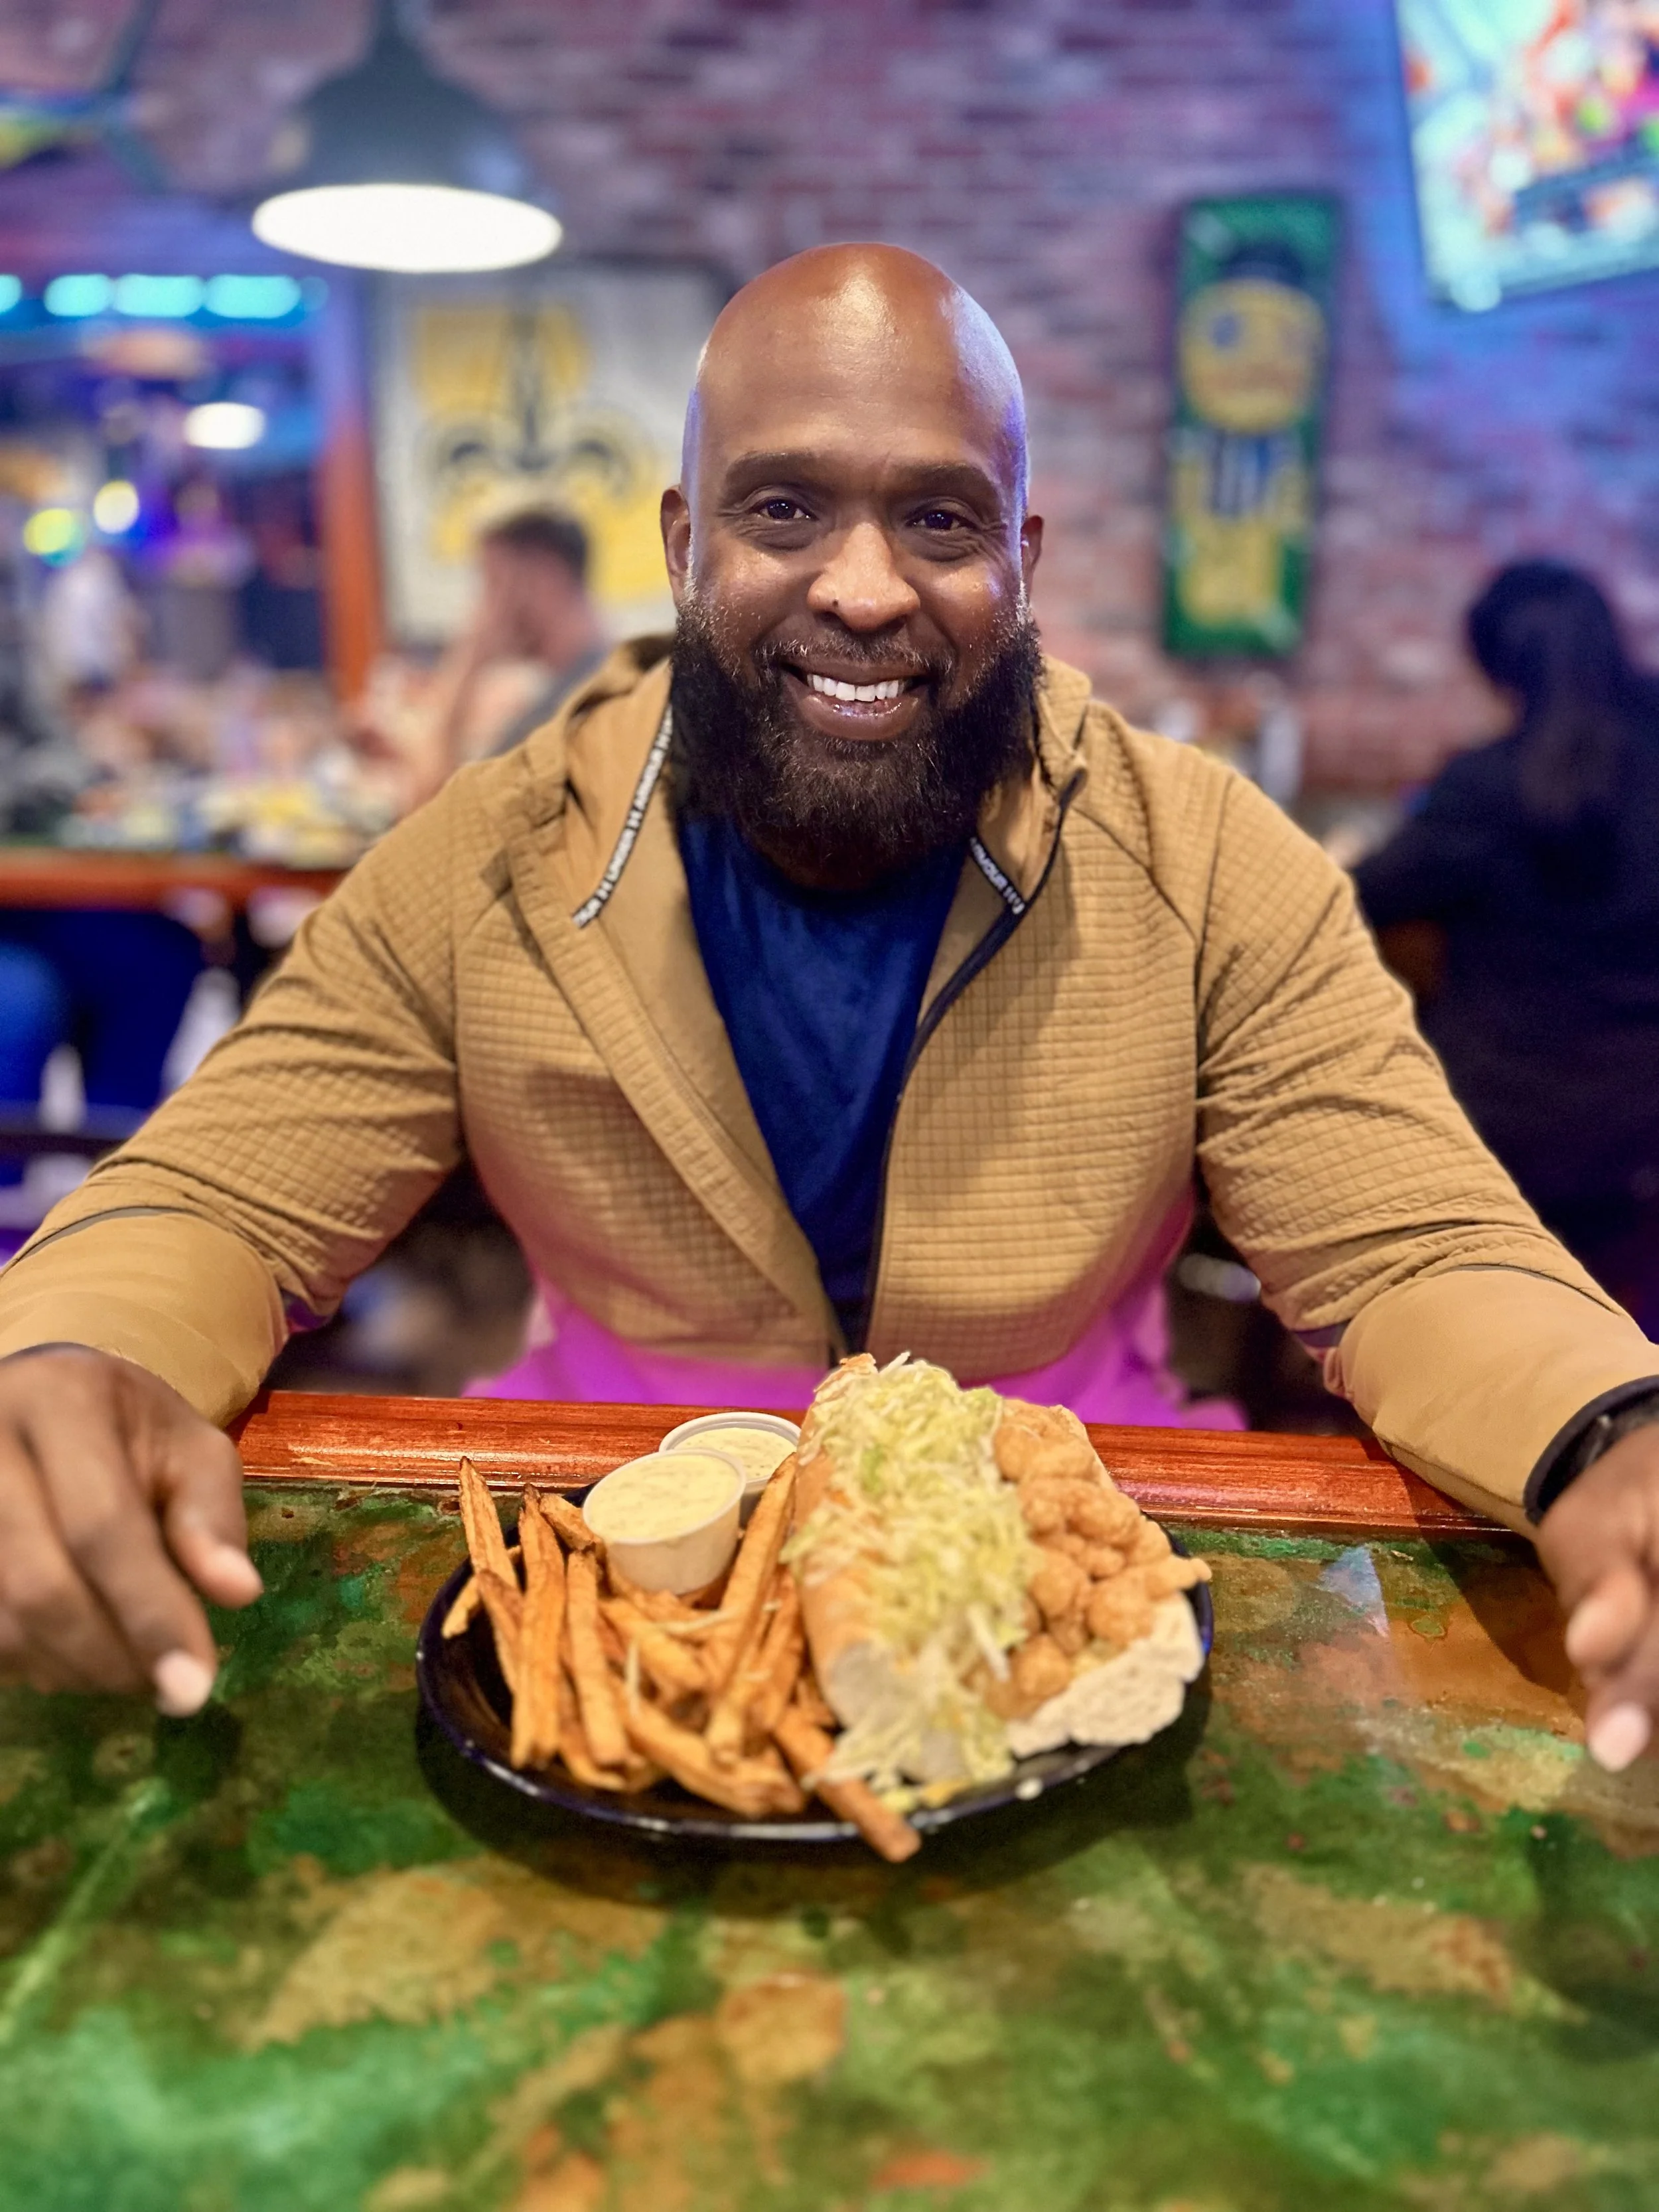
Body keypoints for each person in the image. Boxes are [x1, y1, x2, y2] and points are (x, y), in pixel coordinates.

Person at [2, 246, 1658, 1782]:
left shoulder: (1207, 861)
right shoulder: (487, 858)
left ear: (1020, 563)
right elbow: (221, 1189)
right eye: (784, 508)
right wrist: (73, 1354)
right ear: (681, 544)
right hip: (615, 1555)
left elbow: (1414, 1243)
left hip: (1061, 1574)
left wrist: (1606, 1428)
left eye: (938, 524)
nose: (864, 589)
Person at [1356, 562, 1659, 1333]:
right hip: (1639, 1139)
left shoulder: (1486, 787)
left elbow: (1357, 899)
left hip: (1500, 1131)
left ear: (1496, 663)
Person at [404, 506, 606, 804]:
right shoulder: (591, 677)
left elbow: (429, 812)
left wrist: (467, 661)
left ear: (545, 578)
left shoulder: (572, 706)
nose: (482, 609)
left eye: (494, 583)